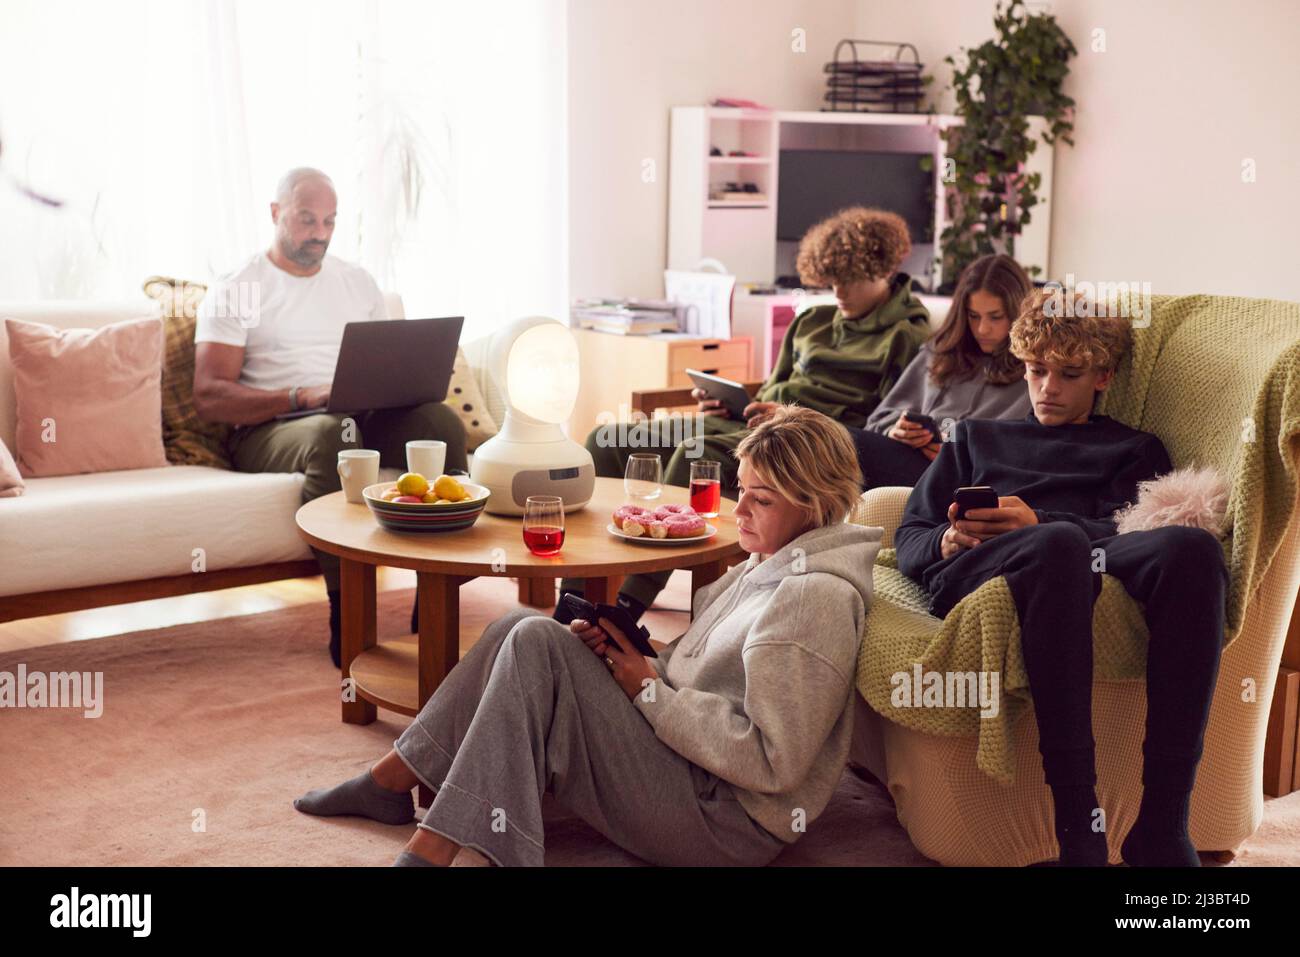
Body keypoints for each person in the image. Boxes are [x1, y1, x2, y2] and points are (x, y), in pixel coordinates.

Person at [293, 405, 880, 867]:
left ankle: (435, 845)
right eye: (742, 488)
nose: (738, 508)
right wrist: (633, 657)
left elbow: (770, 763)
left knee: (537, 644)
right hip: (689, 770)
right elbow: (710, 672)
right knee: (519, 627)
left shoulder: (811, 599)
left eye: (761, 498)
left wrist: (646, 689)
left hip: (724, 822)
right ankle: (394, 777)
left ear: (816, 505)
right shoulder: (774, 561)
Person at [894, 288, 1228, 867]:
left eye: (1068, 374)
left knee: (1192, 547)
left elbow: (1132, 531)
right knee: (1058, 542)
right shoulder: (975, 437)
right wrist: (947, 539)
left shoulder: (1133, 449)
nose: (1047, 388)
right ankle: (1080, 826)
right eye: (1036, 371)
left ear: (1102, 377)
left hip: (1078, 553)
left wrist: (1040, 519)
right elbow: (909, 538)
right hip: (980, 569)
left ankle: (1164, 823)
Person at [559, 206, 929, 625]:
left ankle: (625, 610)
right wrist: (730, 402)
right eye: (832, 279)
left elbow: (877, 428)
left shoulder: (907, 336)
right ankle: (575, 594)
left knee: (694, 459)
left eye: (852, 279)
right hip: (751, 422)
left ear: (884, 271)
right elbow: (772, 385)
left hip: (801, 444)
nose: (839, 290)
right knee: (610, 440)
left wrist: (789, 415)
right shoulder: (812, 321)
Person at [193, 167, 466, 668]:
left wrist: (406, 385)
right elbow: (210, 397)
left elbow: (388, 363)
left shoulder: (356, 281)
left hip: (359, 414)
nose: (318, 233)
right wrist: (301, 396)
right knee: (332, 432)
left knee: (439, 425)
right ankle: (350, 611)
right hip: (271, 428)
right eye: (305, 219)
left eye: (329, 221)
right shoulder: (239, 286)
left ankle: (436, 590)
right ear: (276, 214)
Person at [851, 253, 1034, 489]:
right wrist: (894, 430)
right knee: (828, 439)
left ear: (1018, 314)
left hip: (965, 477)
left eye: (995, 317)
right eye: (973, 316)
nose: (982, 329)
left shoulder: (1034, 372)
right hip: (908, 460)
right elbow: (877, 420)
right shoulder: (940, 353)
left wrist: (957, 451)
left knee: (843, 442)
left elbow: (1026, 451)